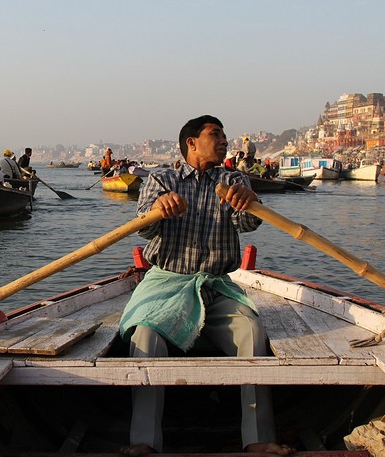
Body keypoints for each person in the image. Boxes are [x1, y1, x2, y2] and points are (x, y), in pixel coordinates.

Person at [118, 115, 293, 457]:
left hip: (217, 286)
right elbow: (143, 229)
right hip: (167, 283)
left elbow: (248, 223)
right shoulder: (162, 179)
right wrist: (158, 209)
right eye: (216, 134)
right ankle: (145, 441)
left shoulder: (233, 180)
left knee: (252, 331)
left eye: (225, 135)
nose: (225, 141)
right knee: (145, 336)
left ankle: (258, 438)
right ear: (192, 143)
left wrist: (250, 200)